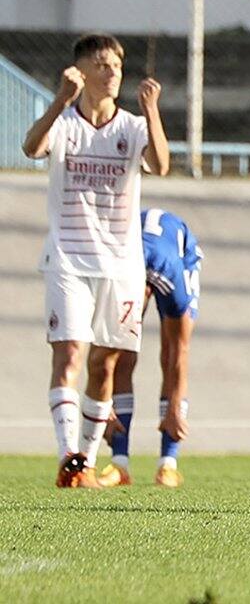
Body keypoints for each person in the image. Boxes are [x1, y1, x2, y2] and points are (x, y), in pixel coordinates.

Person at [20, 33, 170, 488]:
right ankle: (68, 453)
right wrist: (58, 100)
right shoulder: (64, 122)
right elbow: (31, 147)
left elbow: (161, 165)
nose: (111, 74)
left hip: (122, 264)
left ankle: (83, 462)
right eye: (102, 65)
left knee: (105, 364)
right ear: (80, 71)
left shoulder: (132, 125)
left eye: (117, 67)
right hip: (68, 258)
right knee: (69, 353)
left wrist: (153, 111)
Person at [100, 208, 203, 489]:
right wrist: (102, 403)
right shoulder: (113, 270)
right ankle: (119, 463)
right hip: (135, 256)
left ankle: (168, 463)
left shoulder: (168, 274)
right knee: (121, 351)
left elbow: (180, 351)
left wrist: (174, 409)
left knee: (169, 353)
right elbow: (104, 349)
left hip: (178, 257)